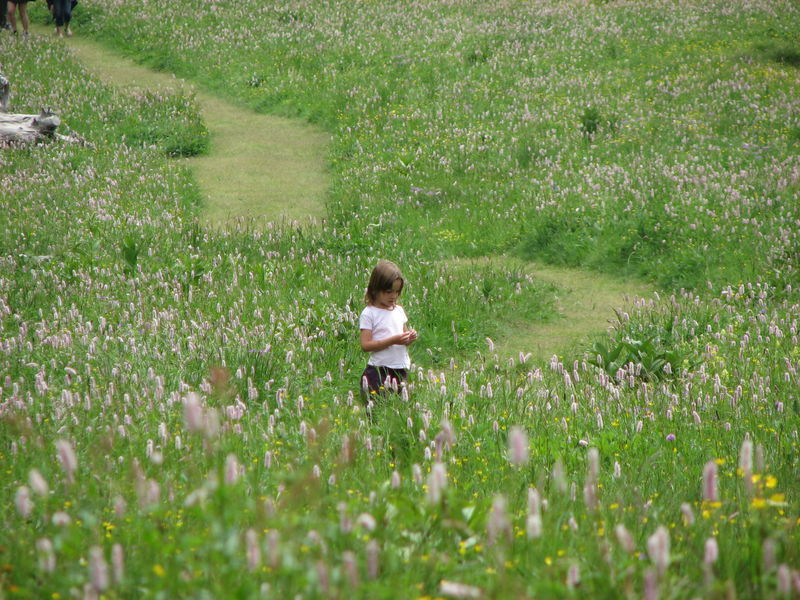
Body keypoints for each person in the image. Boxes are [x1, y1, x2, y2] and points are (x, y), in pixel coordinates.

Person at [359, 260, 418, 404]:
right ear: (375, 290)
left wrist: (409, 337)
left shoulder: (398, 310)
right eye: (389, 292)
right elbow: (365, 345)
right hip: (379, 369)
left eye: (397, 291)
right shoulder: (369, 313)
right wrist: (393, 340)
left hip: (400, 368)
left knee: (398, 407)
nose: (394, 296)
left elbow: (402, 336)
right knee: (376, 408)